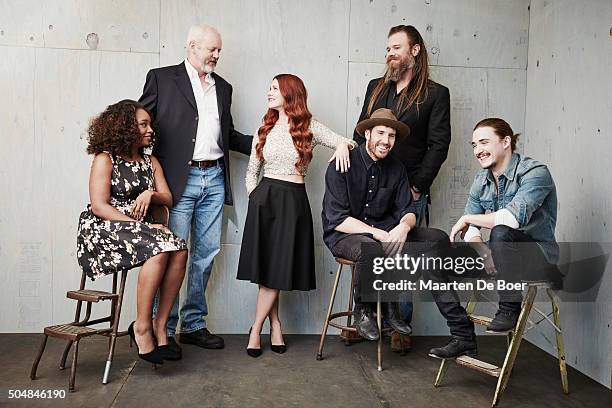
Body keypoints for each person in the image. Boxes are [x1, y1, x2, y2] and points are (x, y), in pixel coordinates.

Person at [139, 24, 252, 356]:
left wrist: (263, 143)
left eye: (219, 50)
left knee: (205, 255)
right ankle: (162, 326)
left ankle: (191, 325)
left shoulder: (224, 87)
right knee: (170, 254)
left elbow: (226, 134)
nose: (216, 55)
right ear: (192, 46)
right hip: (177, 181)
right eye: (211, 49)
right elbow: (143, 126)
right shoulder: (161, 78)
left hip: (214, 178)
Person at [237, 74, 356, 357]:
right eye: (269, 87)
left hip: (293, 202)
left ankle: (256, 328)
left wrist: (341, 146)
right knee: (269, 270)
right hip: (265, 200)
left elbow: (348, 142)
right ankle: (274, 325)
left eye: (275, 88)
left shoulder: (309, 127)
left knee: (276, 269)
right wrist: (255, 197)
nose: (268, 92)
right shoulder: (263, 128)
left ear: (291, 94)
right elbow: (251, 172)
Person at [428, 117, 560, 359]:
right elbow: (472, 233)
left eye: (484, 142)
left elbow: (510, 220)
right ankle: (462, 336)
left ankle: (510, 307)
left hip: (537, 260)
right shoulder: (482, 180)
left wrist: (469, 219)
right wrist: (484, 251)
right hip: (498, 253)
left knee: (501, 232)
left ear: (506, 141)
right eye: (474, 145)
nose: (478, 150)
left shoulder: (535, 172)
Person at [353, 25, 451, 350]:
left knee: (402, 255)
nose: (390, 53)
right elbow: (360, 133)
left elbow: (438, 145)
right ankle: (361, 317)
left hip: (408, 189)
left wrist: (418, 188)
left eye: (396, 47)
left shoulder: (436, 94)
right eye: (388, 48)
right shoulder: (375, 87)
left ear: (415, 50)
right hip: (369, 185)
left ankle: (400, 327)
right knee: (364, 246)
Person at [76, 100, 188, 364]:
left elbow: (168, 199)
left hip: (141, 231)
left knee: (180, 249)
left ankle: (160, 326)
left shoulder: (150, 161)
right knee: (159, 248)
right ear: (125, 127)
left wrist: (150, 194)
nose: (150, 130)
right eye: (143, 124)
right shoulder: (106, 159)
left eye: (150, 124)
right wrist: (141, 226)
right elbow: (100, 206)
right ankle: (141, 327)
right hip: (104, 229)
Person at [323, 108, 449, 341]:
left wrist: (404, 226)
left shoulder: (397, 167)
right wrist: (376, 233)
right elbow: (337, 218)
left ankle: (392, 307)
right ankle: (364, 310)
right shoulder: (343, 162)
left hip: (386, 233)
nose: (386, 141)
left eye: (391, 136)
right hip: (346, 235)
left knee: (437, 238)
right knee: (371, 248)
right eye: (380, 133)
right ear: (367, 134)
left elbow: (409, 210)